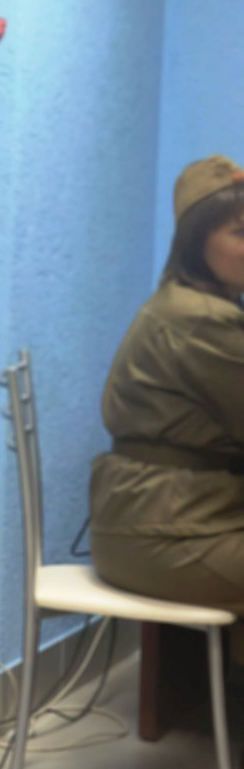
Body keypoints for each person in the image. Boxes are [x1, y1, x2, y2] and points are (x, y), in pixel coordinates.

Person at [90, 154, 244, 654]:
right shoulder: (201, 318)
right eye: (240, 233)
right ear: (196, 242)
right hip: (168, 535)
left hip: (153, 523)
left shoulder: (184, 304)